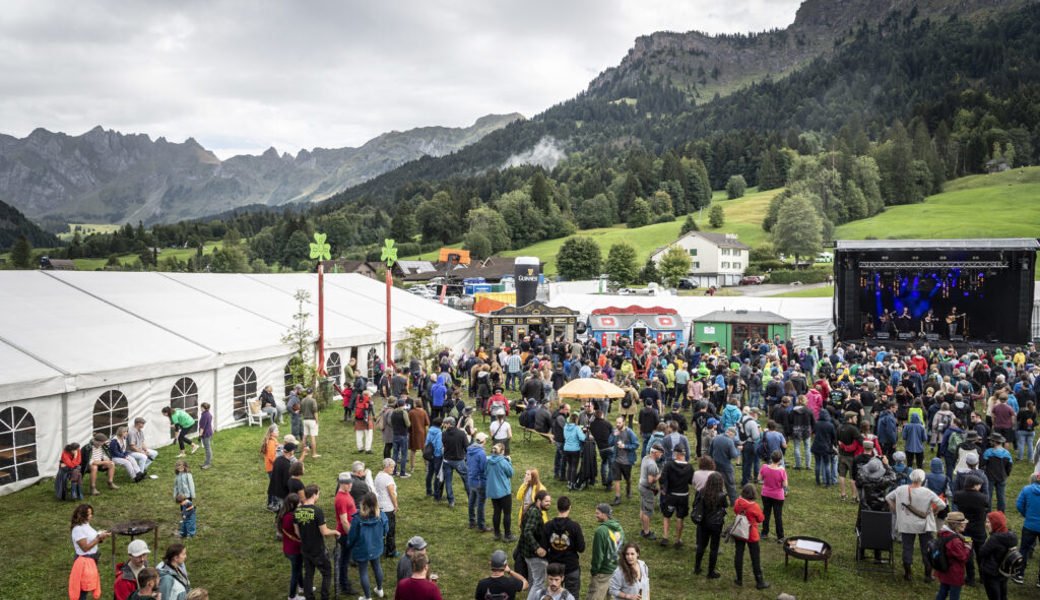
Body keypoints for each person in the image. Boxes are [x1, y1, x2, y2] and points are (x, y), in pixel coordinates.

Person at [886, 468, 947, 582]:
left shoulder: (901, 489)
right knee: (927, 549)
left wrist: (896, 510)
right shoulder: (927, 492)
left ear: (911, 477)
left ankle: (907, 574)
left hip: (907, 524)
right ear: (922, 479)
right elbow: (942, 504)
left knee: (907, 548)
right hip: (925, 524)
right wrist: (934, 511)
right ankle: (928, 575)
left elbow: (888, 497)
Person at [293, 484, 340, 600]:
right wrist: (335, 531)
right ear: (314, 495)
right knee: (327, 572)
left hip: (305, 548)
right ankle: (324, 597)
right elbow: (324, 532)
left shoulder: (297, 511)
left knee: (308, 574)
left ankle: (309, 597)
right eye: (318, 494)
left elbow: (297, 532)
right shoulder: (318, 511)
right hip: (318, 549)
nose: (318, 496)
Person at [346, 492, 390, 600]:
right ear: (376, 503)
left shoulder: (357, 519)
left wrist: (349, 545)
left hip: (362, 548)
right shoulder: (381, 515)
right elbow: (386, 529)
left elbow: (352, 536)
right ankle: (380, 589)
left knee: (363, 572)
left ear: (363, 503)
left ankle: (367, 597)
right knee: (377, 567)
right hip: (376, 546)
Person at [543, 496, 585, 598]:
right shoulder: (574, 527)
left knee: (553, 596)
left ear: (557, 507)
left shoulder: (548, 526)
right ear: (569, 507)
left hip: (554, 567)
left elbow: (543, 548)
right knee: (572, 596)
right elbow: (581, 548)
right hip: (571, 567)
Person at [732, 483, 770, 589]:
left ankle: (739, 579)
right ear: (753, 494)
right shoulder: (754, 506)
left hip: (739, 532)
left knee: (738, 554)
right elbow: (761, 519)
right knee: (755, 558)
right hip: (751, 534)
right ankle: (759, 582)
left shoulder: (738, 502)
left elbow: (735, 511)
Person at [693, 472, 728, 579]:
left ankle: (697, 568)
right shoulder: (721, 495)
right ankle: (710, 572)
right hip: (716, 524)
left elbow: (695, 503)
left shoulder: (702, 492)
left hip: (703, 522)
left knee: (701, 545)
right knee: (714, 548)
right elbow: (725, 505)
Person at [587, 503, 625, 600]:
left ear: (604, 515)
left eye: (597, 513)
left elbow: (598, 555)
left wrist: (594, 571)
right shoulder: (619, 528)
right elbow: (623, 549)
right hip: (617, 572)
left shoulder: (601, 531)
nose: (596, 515)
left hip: (603, 573)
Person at [660, 446, 694, 547]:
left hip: (671, 495)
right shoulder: (690, 467)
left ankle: (665, 537)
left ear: (676, 454)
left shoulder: (669, 465)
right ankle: (678, 540)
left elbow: (662, 479)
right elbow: (691, 481)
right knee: (680, 517)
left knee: (666, 516)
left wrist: (662, 488)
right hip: (683, 496)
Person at [518, 490, 552, 591]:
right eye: (546, 501)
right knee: (539, 583)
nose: (549, 503)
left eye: (549, 501)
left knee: (533, 580)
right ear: (538, 501)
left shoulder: (533, 509)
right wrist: (537, 548)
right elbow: (527, 531)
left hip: (527, 552)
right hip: (532, 554)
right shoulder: (534, 513)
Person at [979, 511, 1017, 600]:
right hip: (1004, 571)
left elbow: (982, 552)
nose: (986, 524)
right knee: (1003, 594)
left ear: (995, 524)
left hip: (992, 573)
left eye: (989, 522)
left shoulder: (995, 539)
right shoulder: (1011, 536)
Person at [935, 512, 973, 600]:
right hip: (954, 573)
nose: (965, 524)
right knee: (954, 596)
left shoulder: (943, 533)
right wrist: (968, 547)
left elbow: (958, 537)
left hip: (944, 569)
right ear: (955, 525)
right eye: (962, 523)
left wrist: (965, 540)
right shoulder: (955, 541)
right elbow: (963, 557)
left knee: (942, 592)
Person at [334, 472, 359, 596]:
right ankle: (344, 586)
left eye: (350, 483)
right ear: (340, 483)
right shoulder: (341, 499)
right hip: (345, 534)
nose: (350, 485)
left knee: (345, 558)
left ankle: (344, 581)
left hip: (347, 532)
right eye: (347, 483)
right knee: (344, 560)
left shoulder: (346, 493)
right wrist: (351, 535)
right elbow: (344, 521)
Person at [486, 442, 516, 542]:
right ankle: (507, 535)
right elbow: (511, 473)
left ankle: (497, 534)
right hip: (504, 492)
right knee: (507, 513)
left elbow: (485, 472)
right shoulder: (503, 462)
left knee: (496, 512)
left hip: (493, 491)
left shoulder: (487, 460)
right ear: (502, 451)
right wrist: (509, 462)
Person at [1016, 471, 1040, 585]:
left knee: (1024, 549)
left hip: (1029, 525)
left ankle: (1019, 574)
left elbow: (1019, 505)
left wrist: (1027, 515)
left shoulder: (1026, 490)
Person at [278, 493, 304, 600]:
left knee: (298, 569)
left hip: (288, 548)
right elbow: (298, 533)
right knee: (295, 573)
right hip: (295, 550)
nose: (300, 505)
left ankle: (302, 587)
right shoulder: (292, 517)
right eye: (299, 503)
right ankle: (292, 596)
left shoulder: (283, 515)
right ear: (293, 505)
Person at [609, 417, 639, 506]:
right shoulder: (614, 431)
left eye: (619, 423)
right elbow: (609, 443)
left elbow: (636, 444)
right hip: (616, 460)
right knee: (616, 479)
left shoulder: (630, 432)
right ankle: (617, 498)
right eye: (617, 422)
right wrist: (613, 435)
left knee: (627, 479)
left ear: (624, 423)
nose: (617, 424)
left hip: (627, 461)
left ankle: (628, 488)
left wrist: (625, 446)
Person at [441, 416, 471, 506]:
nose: (444, 425)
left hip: (447, 460)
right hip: (459, 460)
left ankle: (451, 501)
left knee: (448, 481)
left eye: (445, 424)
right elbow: (467, 447)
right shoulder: (461, 434)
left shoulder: (443, 434)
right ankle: (472, 499)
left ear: (449, 424)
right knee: (466, 479)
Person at [759, 450, 788, 542]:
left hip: (766, 494)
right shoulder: (781, 471)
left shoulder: (764, 467)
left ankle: (764, 533)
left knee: (766, 513)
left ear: (771, 458)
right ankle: (780, 537)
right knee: (777, 516)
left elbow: (759, 478)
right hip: (777, 496)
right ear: (780, 460)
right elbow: (785, 485)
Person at [375, 458, 400, 559]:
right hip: (388, 507)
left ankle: (381, 548)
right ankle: (391, 551)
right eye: (391, 467)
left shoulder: (378, 476)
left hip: (379, 506)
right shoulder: (388, 478)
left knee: (381, 530)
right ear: (386, 467)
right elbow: (391, 493)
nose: (393, 469)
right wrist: (396, 505)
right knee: (390, 531)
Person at [982, 433, 1013, 513]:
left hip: (990, 477)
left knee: (988, 496)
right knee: (1001, 497)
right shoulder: (1007, 453)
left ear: (995, 442)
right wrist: (1006, 474)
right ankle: (1001, 513)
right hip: (1002, 477)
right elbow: (1009, 466)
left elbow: (983, 464)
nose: (990, 442)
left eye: (991, 440)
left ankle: (988, 513)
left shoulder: (988, 452)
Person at [710, 427, 741, 504]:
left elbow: (710, 452)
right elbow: (734, 455)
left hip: (715, 465)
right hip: (726, 467)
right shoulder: (729, 441)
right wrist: (738, 449)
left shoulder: (716, 437)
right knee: (731, 485)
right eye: (733, 436)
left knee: (716, 485)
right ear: (731, 434)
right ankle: (734, 502)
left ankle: (716, 501)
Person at [638, 444, 663, 540]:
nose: (661, 455)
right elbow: (650, 480)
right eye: (660, 453)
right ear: (655, 453)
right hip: (647, 489)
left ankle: (643, 529)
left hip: (641, 486)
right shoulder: (652, 465)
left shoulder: (645, 458)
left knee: (642, 508)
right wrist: (659, 476)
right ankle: (647, 532)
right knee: (647, 512)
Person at [467, 432, 491, 532]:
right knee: (481, 504)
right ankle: (481, 526)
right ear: (483, 441)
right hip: (480, 482)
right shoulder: (481, 453)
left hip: (471, 479)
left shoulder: (469, 450)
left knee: (471, 501)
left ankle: (472, 521)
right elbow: (483, 468)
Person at [424, 417, 444, 500]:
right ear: (441, 424)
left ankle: (428, 491)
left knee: (430, 473)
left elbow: (427, 442)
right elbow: (439, 446)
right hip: (437, 456)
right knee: (437, 475)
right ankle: (437, 493)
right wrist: (439, 454)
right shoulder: (439, 433)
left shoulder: (430, 431)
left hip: (430, 454)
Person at [409, 397, 430, 472]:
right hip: (422, 433)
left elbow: (408, 423)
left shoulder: (411, 412)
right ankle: (427, 466)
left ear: (415, 404)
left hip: (413, 433)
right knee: (424, 450)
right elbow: (427, 423)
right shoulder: (424, 412)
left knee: (413, 450)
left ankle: (412, 467)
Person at [300, 388, 321, 458]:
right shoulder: (313, 400)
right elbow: (315, 411)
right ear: (312, 393)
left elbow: (301, 411)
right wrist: (317, 420)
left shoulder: (302, 400)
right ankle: (314, 454)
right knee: (313, 436)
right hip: (312, 420)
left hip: (305, 420)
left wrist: (304, 417)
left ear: (306, 393)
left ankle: (304, 452)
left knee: (304, 436)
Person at [354, 390, 375, 454]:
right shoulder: (370, 402)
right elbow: (373, 411)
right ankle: (368, 449)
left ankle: (360, 448)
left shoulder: (358, 401)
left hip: (358, 420)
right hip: (367, 420)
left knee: (359, 435)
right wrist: (374, 417)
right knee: (368, 435)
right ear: (368, 395)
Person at [197, 402, 213, 469]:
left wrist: (200, 435)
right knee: (207, 448)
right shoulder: (208, 414)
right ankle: (206, 462)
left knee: (207, 448)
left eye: (201, 407)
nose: (200, 408)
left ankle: (208, 464)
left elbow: (202, 427)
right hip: (208, 432)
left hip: (206, 434)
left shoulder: (205, 415)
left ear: (203, 408)